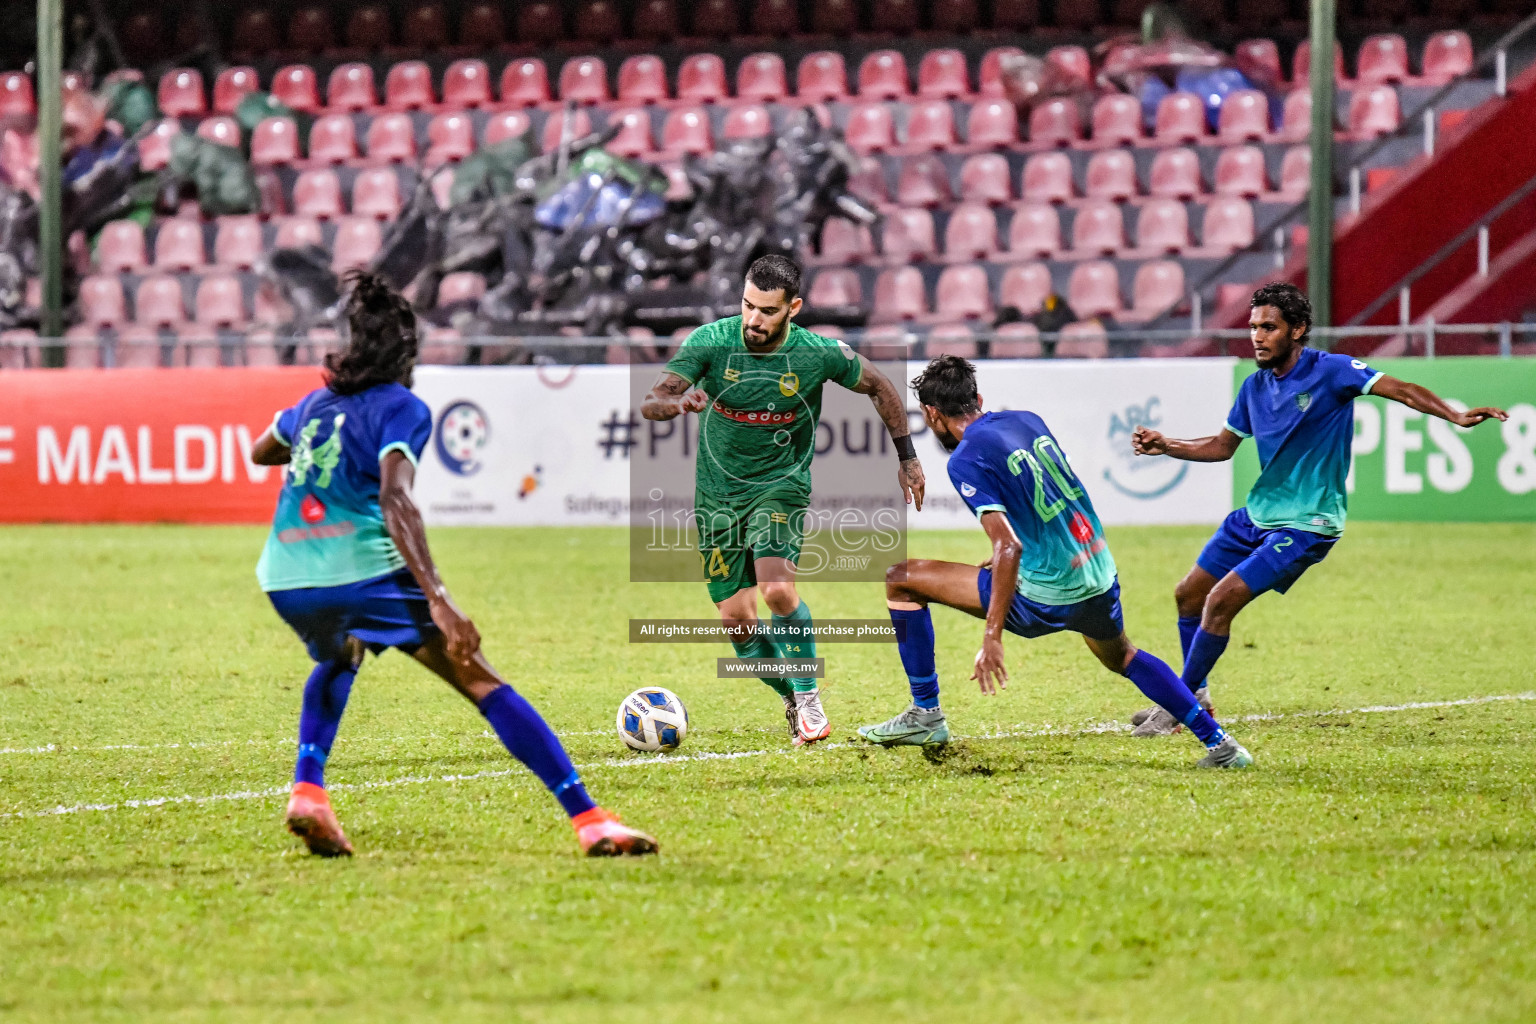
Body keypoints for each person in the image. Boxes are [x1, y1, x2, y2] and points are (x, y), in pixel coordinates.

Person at [251, 271, 656, 858]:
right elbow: (396, 498)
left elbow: (262, 450)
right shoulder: (402, 407)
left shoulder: (312, 405)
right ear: (405, 354)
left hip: (285, 575)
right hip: (359, 569)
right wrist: (439, 597)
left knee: (343, 653)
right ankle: (590, 819)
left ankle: (309, 791)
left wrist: (312, 437)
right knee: (479, 676)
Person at [1128, 283, 1508, 735]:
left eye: (1268, 327)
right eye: (1253, 327)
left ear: (1298, 330)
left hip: (1309, 523)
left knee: (1220, 601)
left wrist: (1454, 415)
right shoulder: (1254, 387)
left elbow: (1400, 388)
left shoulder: (1333, 371)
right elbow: (1222, 446)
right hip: (1257, 515)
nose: (1257, 336)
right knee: (1188, 594)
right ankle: (1199, 695)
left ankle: (1179, 705)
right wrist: (1167, 444)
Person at [858, 355, 1252, 769]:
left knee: (900, 578)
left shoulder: (965, 458)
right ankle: (1221, 744)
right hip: (1096, 573)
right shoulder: (1028, 420)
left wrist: (992, 636)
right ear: (978, 398)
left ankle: (925, 713)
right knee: (1123, 656)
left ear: (932, 415)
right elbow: (1044, 503)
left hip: (1045, 593)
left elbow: (1009, 547)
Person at [640, 255, 927, 746]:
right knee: (736, 624)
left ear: (793, 307)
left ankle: (810, 698)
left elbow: (878, 384)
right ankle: (793, 697)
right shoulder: (711, 341)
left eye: (768, 311)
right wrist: (676, 403)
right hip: (717, 498)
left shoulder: (818, 354)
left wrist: (907, 457)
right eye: (748, 305)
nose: (754, 319)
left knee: (776, 590)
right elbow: (652, 402)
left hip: (781, 487)